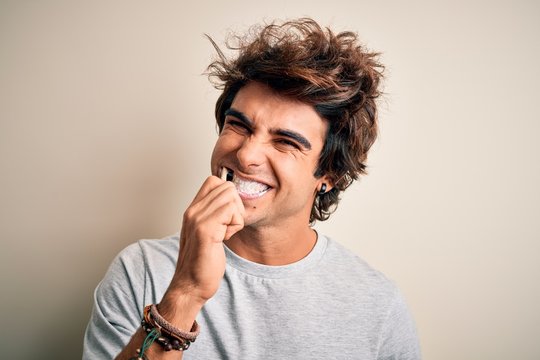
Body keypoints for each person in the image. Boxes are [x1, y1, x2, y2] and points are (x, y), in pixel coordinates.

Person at [83, 18, 421, 360]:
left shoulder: (378, 307)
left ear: (329, 173)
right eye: (238, 125)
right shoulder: (140, 271)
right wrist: (185, 293)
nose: (245, 155)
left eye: (285, 141)